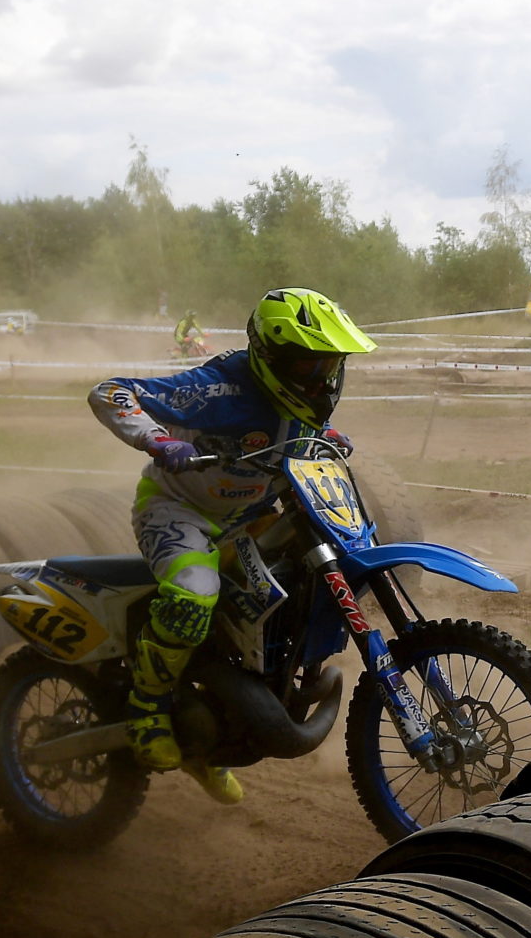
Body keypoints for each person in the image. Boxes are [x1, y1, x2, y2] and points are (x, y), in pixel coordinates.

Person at [88, 287, 376, 801]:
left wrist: (326, 433)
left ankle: (218, 727)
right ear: (273, 358)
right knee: (194, 596)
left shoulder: (300, 393)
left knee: (284, 594)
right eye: (311, 366)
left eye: (330, 365)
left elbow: (289, 423)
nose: (323, 378)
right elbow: (111, 392)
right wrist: (158, 440)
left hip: (251, 517)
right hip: (180, 511)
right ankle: (147, 708)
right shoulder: (219, 388)